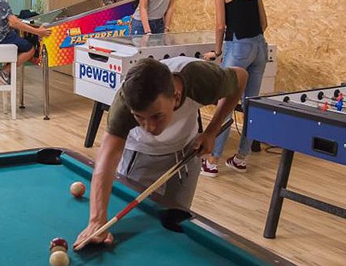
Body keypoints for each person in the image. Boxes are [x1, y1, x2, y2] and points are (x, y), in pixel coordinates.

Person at [75, 56, 247, 249]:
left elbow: (241, 77)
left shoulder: (201, 79)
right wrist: (96, 220)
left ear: (176, 97)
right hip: (141, 155)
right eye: (139, 118)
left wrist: (211, 132)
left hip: (186, 152)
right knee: (138, 229)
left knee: (175, 224)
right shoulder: (124, 103)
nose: (149, 127)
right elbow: (107, 158)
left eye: (157, 116)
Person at [200, 0, 269, 177]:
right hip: (260, 47)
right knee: (251, 105)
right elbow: (264, 22)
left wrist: (218, 51)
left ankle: (212, 161)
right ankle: (240, 158)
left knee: (226, 104)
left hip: (238, 47)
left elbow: (221, 25)